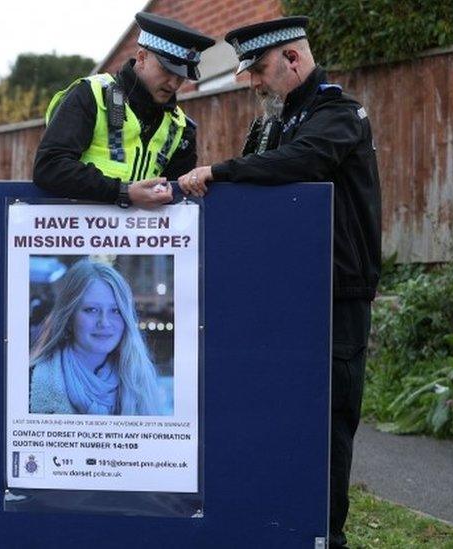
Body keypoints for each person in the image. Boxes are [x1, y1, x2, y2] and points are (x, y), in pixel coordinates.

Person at [177, 17, 381, 548]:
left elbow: (304, 161)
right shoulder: (270, 124)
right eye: (248, 74)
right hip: (279, 299)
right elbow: (256, 183)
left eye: (260, 70)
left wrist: (221, 172)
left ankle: (325, 537)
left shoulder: (339, 113)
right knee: (273, 419)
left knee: (327, 429)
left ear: (293, 59)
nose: (254, 83)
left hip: (335, 299)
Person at [33, 13, 215, 209]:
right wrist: (122, 192)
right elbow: (49, 167)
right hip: (78, 233)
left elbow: (178, 199)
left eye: (181, 77)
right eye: (167, 70)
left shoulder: (181, 127)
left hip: (141, 237)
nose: (174, 84)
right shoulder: (91, 94)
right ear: (141, 57)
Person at [29, 259, 164, 416]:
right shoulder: (30, 384)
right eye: (91, 309)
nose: (104, 322)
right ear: (69, 316)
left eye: (116, 310)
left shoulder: (141, 381)